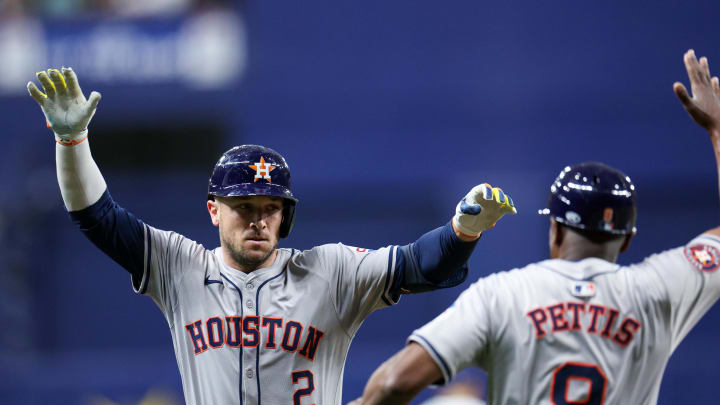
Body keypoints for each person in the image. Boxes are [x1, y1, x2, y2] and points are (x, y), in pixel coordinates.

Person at [26, 69, 516, 405]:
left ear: (285, 216)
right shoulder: (181, 267)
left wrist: (462, 231)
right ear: (214, 211)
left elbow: (422, 265)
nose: (258, 220)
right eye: (243, 208)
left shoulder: (331, 271)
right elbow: (97, 217)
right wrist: (72, 144)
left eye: (270, 208)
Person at [349, 49, 720, 405]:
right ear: (626, 242)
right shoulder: (658, 290)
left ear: (555, 231)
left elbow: (394, 384)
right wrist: (717, 130)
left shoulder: (502, 296)